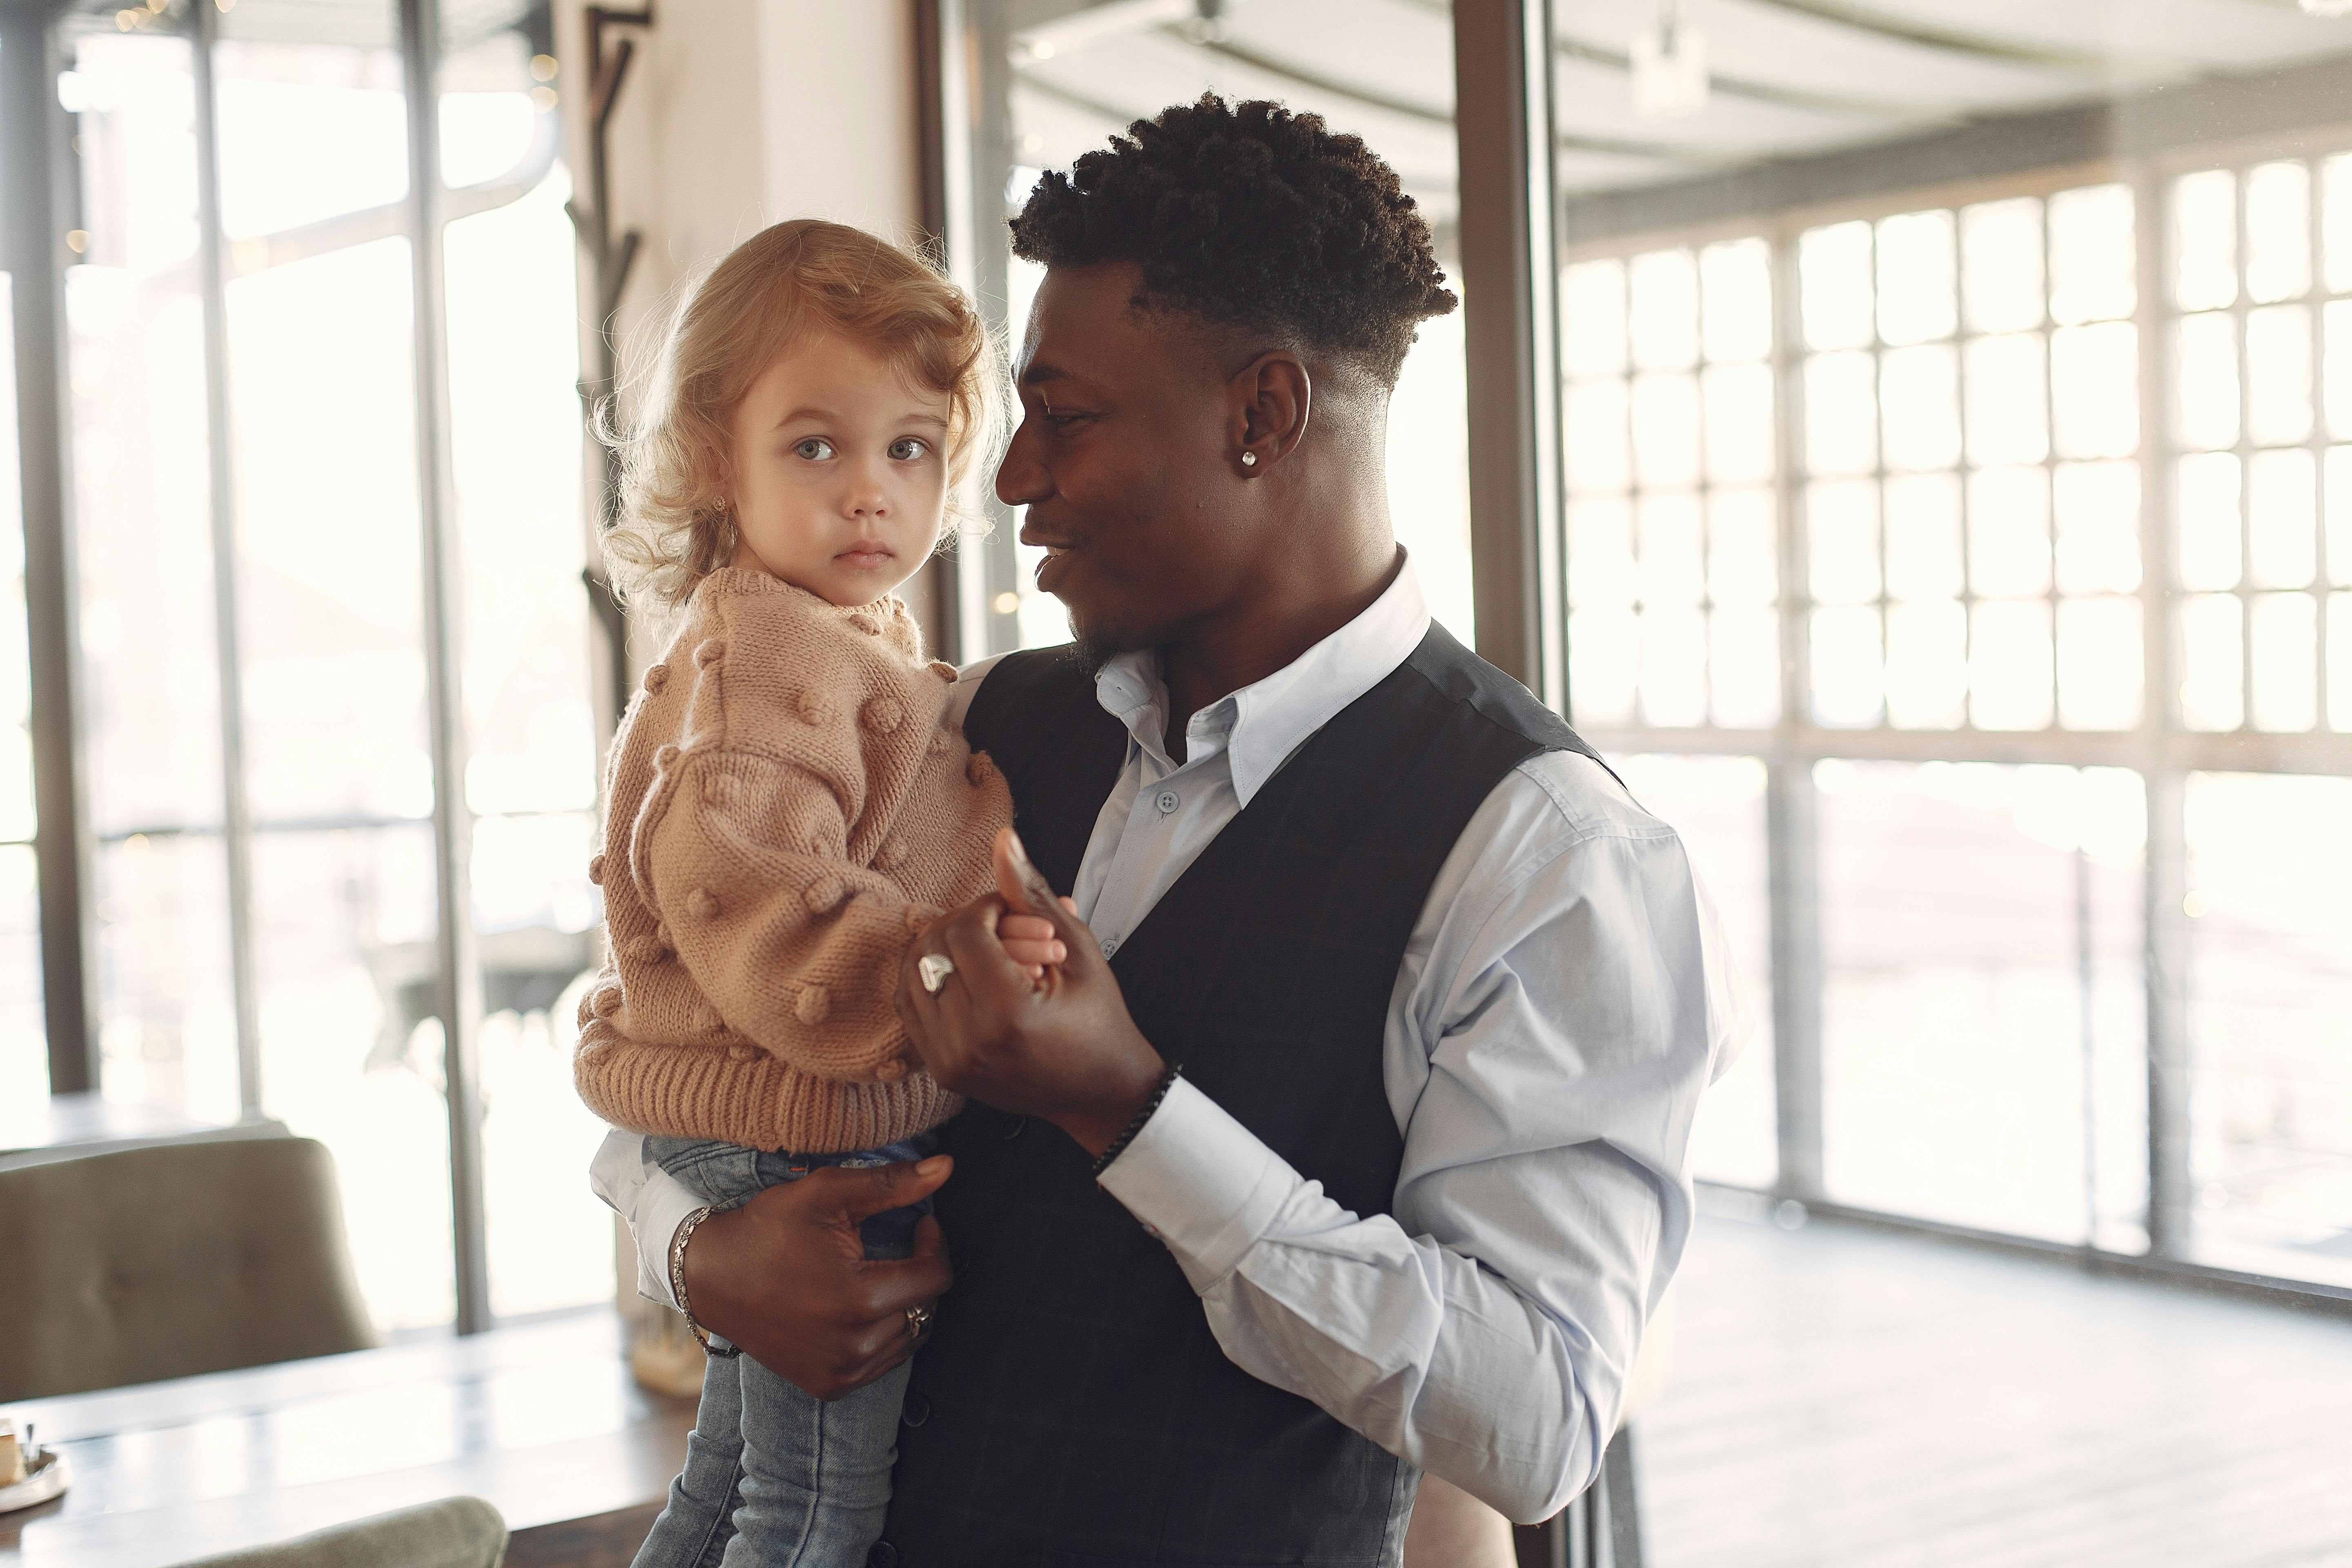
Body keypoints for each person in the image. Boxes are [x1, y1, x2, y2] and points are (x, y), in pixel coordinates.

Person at [592, 96, 1735, 1567]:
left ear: (1262, 415)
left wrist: (1129, 1106)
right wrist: (696, 1253)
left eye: (1060, 420)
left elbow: (1536, 1419)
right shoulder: (972, 720)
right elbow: (672, 1017)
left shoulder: (1555, 861)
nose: (1004, 483)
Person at [576, 218, 1067, 1568]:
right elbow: (756, 904)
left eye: (909, 448)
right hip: (800, 1137)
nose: (871, 493)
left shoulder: (831, 646)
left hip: (779, 1128)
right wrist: (947, 963)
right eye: (817, 447)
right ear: (712, 462)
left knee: (728, 1482)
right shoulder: (766, 669)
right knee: (818, 1517)